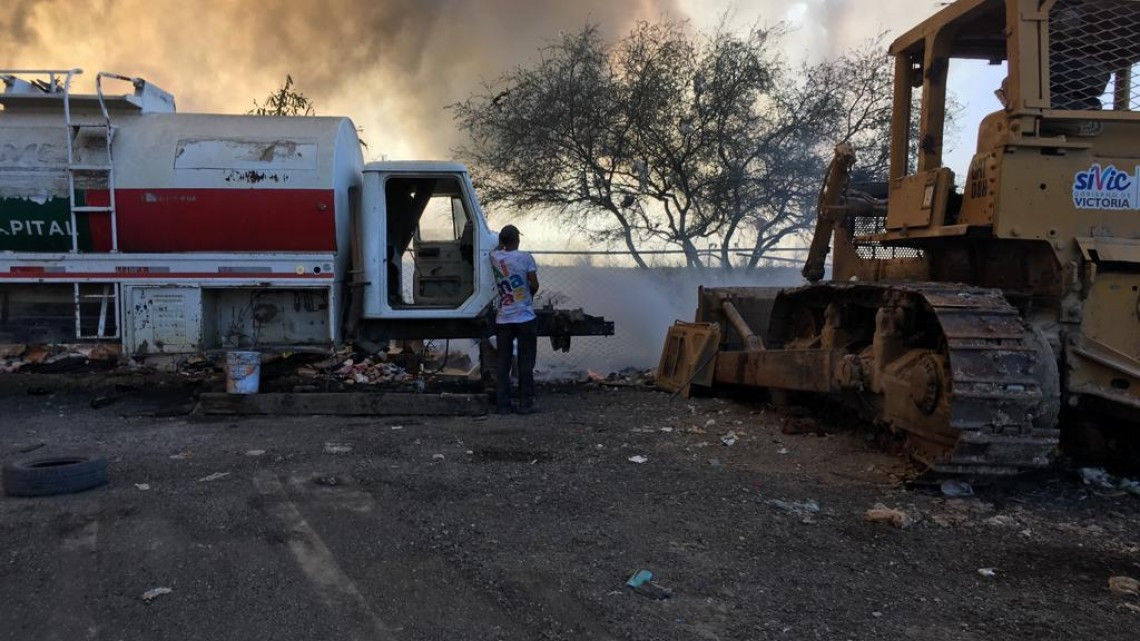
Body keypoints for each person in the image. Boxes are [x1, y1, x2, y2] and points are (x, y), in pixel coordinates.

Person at [489, 225, 540, 414]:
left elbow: (494, 248)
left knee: (503, 363)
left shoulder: (494, 258)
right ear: (518, 240)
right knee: (526, 362)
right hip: (525, 317)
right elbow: (534, 284)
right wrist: (527, 297)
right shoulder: (525, 258)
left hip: (503, 319)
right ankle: (526, 403)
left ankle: (503, 405)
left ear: (501, 241)